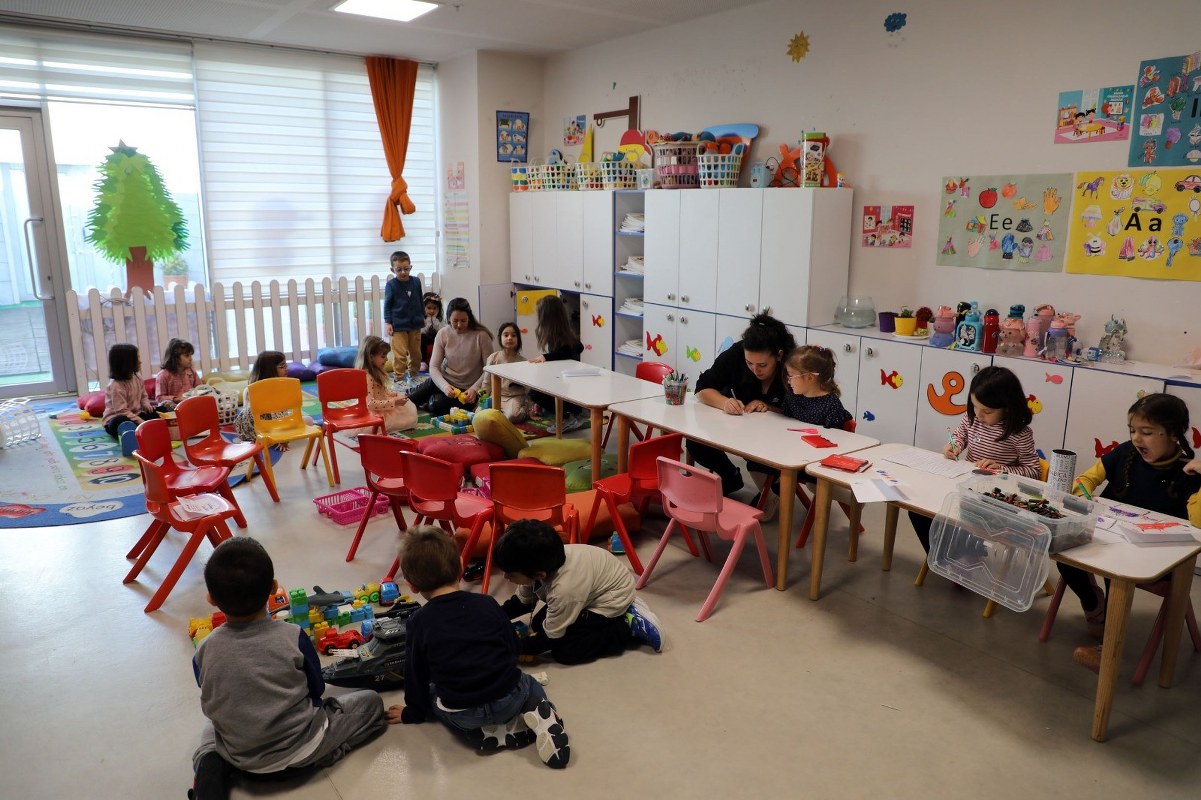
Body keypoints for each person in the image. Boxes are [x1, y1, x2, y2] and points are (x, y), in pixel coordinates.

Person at [190, 536, 394, 799]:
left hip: (240, 755)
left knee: (210, 730)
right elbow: (317, 688)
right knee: (371, 702)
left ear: (210, 599)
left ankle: (210, 774)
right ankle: (326, 753)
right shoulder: (292, 636)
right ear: (274, 589)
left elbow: (209, 688)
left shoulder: (204, 648)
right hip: (302, 749)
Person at [391, 526, 570, 769]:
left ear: (411, 585)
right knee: (529, 683)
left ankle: (482, 734)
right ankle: (542, 714)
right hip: (510, 699)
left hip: (465, 714)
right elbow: (512, 647)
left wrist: (412, 712)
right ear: (461, 567)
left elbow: (415, 674)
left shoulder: (418, 622)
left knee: (434, 695)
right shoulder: (487, 603)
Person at [1061, 394, 1201, 668]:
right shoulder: (1125, 453)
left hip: (1155, 558)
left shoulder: (1187, 472)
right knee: (1063, 547)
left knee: (1115, 572)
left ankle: (1109, 649)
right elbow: (1086, 479)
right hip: (1107, 539)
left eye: (1146, 432)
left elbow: (1198, 521)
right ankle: (1094, 605)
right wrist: (1084, 496)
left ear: (1174, 434)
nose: (1137, 438)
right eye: (1132, 430)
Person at [493, 519, 664, 666]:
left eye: (511, 574)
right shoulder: (542, 561)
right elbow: (521, 604)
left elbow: (551, 637)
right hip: (591, 587)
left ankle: (627, 625)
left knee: (566, 652)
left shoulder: (564, 590)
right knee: (539, 624)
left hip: (611, 598)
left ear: (539, 575)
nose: (506, 577)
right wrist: (491, 619)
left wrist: (511, 649)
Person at [908, 366, 1039, 553]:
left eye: (987, 411)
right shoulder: (972, 418)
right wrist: (954, 446)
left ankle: (960, 553)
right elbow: (959, 436)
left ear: (1007, 408)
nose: (978, 414)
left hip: (994, 500)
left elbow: (1033, 471)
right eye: (974, 406)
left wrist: (1001, 469)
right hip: (965, 488)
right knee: (918, 511)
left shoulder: (1019, 433)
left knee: (947, 515)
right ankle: (951, 554)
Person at [688, 313, 796, 499]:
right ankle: (730, 476)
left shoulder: (794, 366)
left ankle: (773, 493)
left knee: (758, 460)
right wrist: (725, 402)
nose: (755, 370)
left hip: (777, 437)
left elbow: (802, 413)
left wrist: (769, 407)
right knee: (696, 442)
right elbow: (703, 387)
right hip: (739, 428)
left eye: (762, 365)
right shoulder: (737, 353)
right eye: (749, 363)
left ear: (779, 355)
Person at [406, 297, 493, 416]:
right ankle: (421, 395)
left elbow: (489, 370)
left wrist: (475, 389)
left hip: (468, 390)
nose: (459, 325)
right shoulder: (443, 333)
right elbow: (434, 367)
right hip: (444, 382)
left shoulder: (481, 336)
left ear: (469, 318)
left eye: (463, 321)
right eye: (455, 321)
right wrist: (444, 386)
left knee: (435, 405)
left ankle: (430, 399)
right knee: (408, 399)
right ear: (448, 319)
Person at [528, 295, 585, 433]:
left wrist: (546, 357)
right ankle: (573, 411)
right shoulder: (559, 334)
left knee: (535, 394)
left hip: (567, 384)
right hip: (561, 380)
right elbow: (579, 347)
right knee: (535, 391)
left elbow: (569, 351)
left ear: (547, 317)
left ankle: (571, 415)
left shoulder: (562, 337)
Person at [356, 334, 417, 433]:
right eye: (383, 356)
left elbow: (381, 392)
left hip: (382, 404)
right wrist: (394, 402)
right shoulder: (367, 376)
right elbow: (370, 404)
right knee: (406, 419)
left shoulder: (376, 371)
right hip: (374, 412)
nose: (387, 359)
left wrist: (395, 395)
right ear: (371, 357)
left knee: (409, 412)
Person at [383, 251, 424, 382]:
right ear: (392, 270)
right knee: (399, 355)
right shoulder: (391, 285)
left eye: (406, 269)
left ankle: (413, 375)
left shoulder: (416, 282)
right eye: (399, 270)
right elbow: (387, 305)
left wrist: (423, 316)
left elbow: (420, 300)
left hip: (415, 324)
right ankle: (399, 379)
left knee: (416, 354)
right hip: (398, 325)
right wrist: (388, 322)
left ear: (410, 267)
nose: (403, 272)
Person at [102, 343, 157, 439]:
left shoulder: (137, 377)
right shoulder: (116, 385)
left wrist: (146, 404)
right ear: (127, 363)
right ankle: (135, 432)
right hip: (118, 417)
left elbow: (143, 395)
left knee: (157, 411)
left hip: (136, 414)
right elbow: (121, 411)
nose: (140, 361)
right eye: (137, 358)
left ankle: (140, 429)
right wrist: (141, 422)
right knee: (119, 422)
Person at [234, 350, 290, 443]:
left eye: (286, 365)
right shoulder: (265, 390)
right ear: (269, 370)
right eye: (282, 366)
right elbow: (275, 416)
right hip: (260, 430)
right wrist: (282, 438)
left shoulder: (251, 387)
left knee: (305, 421)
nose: (286, 369)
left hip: (259, 428)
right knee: (307, 421)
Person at [485, 321, 532, 423]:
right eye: (506, 335)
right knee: (480, 414)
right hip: (495, 396)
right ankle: (500, 414)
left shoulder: (523, 362)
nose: (509, 338)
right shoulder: (493, 358)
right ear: (500, 338)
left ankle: (524, 411)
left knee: (511, 416)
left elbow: (528, 388)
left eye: (513, 335)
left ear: (518, 339)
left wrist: (530, 406)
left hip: (514, 397)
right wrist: (483, 399)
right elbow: (486, 382)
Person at [155, 337, 201, 408]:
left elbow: (199, 387)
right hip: (172, 409)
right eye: (187, 356)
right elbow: (160, 397)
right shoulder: (163, 375)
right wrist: (177, 399)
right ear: (175, 358)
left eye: (191, 355)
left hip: (190, 405)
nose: (191, 358)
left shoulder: (191, 371)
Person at [420, 292, 444, 371]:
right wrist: (428, 320)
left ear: (438, 309)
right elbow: (422, 331)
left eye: (434, 308)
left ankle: (441, 362)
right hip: (425, 339)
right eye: (429, 308)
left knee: (441, 337)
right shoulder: (421, 319)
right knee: (422, 337)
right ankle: (422, 361)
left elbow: (442, 331)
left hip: (436, 339)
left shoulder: (439, 320)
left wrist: (434, 319)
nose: (432, 311)